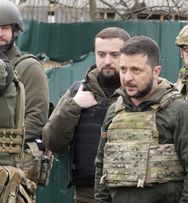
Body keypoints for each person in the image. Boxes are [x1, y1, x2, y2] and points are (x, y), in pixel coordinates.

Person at [94, 36, 188, 203]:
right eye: (123, 69)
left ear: (156, 71)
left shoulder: (181, 111)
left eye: (136, 70)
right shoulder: (114, 111)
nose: (127, 78)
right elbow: (101, 165)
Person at [42, 27, 130, 203]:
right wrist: (74, 106)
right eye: (101, 54)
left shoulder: (139, 92)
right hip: (87, 194)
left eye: (114, 54)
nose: (107, 61)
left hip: (131, 192)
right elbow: (52, 142)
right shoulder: (79, 91)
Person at [0, 0, 50, 185]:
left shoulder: (28, 66)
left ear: (15, 30)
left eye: (4, 27)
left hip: (14, 165)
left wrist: (7, 146)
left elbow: (37, 118)